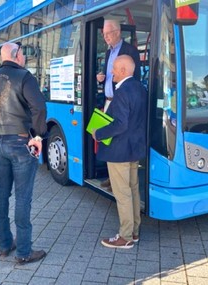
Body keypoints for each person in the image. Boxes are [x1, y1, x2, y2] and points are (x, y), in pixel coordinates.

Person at [0, 41, 48, 264]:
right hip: (22, 143)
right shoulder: (24, 77)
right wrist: (38, 136)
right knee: (23, 198)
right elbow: (39, 107)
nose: (23, 56)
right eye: (22, 53)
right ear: (17, 55)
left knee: (1, 193)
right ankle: (24, 251)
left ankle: (5, 244)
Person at [92, 55, 147, 249]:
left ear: (123, 70)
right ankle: (134, 231)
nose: (111, 72)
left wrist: (98, 133)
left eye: (114, 68)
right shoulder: (141, 88)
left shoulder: (123, 91)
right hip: (134, 149)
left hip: (119, 150)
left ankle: (125, 237)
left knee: (122, 193)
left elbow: (120, 124)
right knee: (132, 189)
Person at [96, 19, 141, 190]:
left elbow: (133, 79)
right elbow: (112, 77)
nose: (105, 37)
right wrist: (101, 78)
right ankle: (111, 176)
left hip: (122, 102)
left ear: (117, 32)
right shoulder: (108, 53)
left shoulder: (130, 51)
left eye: (107, 33)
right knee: (109, 141)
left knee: (118, 138)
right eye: (104, 34)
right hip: (108, 102)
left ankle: (119, 180)